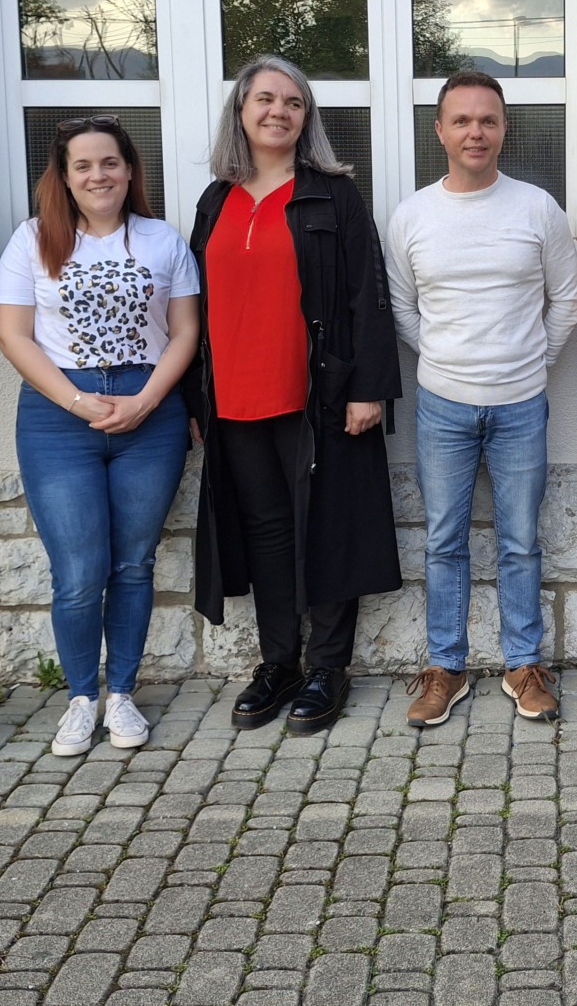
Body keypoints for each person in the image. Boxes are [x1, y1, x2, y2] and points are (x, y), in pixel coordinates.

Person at [184, 55, 402, 735]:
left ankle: (326, 668)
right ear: (241, 112)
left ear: (306, 119)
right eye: (266, 100)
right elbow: (191, 305)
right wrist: (196, 401)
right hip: (235, 400)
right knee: (266, 534)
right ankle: (279, 661)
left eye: (294, 103)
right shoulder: (215, 199)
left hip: (319, 396)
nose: (279, 112)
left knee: (329, 528)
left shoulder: (331, 194)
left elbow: (368, 294)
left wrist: (369, 389)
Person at [0, 119, 198, 758]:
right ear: (64, 176)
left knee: (133, 563)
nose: (98, 176)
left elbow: (187, 331)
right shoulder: (32, 241)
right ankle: (82, 697)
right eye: (83, 166)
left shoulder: (164, 241)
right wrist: (80, 402)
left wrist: (146, 401)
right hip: (59, 421)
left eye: (109, 163)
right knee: (79, 571)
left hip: (150, 416)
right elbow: (14, 336)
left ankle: (123, 696)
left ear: (130, 170)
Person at [388, 70, 577, 727]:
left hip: (522, 402)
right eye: (462, 120)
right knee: (444, 539)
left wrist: (530, 361)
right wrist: (448, 362)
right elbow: (403, 309)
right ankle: (446, 667)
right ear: (440, 130)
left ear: (503, 130)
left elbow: (565, 301)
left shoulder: (536, 209)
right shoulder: (412, 216)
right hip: (442, 401)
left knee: (520, 540)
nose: (476, 131)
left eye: (488, 120)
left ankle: (523, 666)